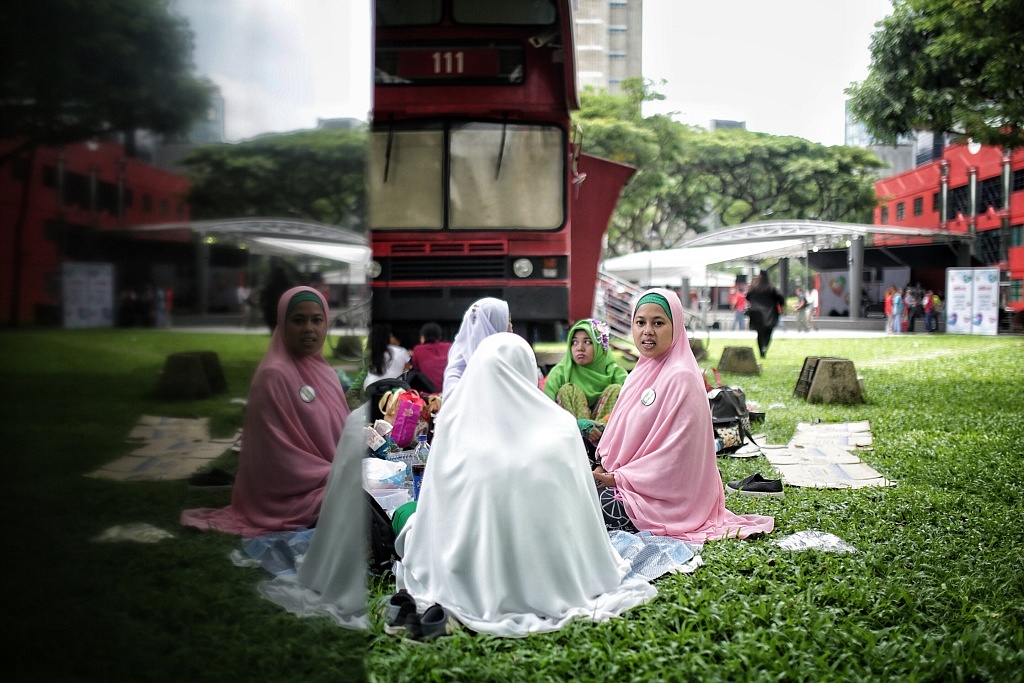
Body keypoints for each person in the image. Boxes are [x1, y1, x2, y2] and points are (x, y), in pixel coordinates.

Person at [394, 333, 656, 636]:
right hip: (556, 571)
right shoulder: (560, 428)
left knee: (407, 516)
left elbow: (434, 510)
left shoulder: (453, 424)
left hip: (464, 572)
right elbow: (583, 514)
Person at [593, 289, 774, 543]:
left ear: (676, 326)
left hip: (666, 503)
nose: (647, 331)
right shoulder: (639, 373)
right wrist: (606, 468)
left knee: (585, 506)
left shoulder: (682, 378)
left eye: (658, 323)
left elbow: (676, 458)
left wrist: (617, 479)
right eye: (640, 322)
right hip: (628, 482)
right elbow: (621, 437)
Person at [181, 286, 350, 536]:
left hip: (332, 477)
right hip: (289, 497)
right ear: (282, 324)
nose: (309, 329)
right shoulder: (274, 376)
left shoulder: (326, 373)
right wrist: (337, 475)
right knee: (361, 499)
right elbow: (277, 460)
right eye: (298, 320)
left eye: (317, 320)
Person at [543, 318, 627, 448]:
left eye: (587, 342)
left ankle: (602, 451)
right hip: (571, 440)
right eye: (574, 342)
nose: (579, 348)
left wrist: (604, 424)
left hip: (608, 440)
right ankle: (583, 450)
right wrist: (578, 425)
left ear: (601, 346)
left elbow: (632, 407)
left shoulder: (617, 374)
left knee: (616, 390)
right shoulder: (559, 373)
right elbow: (545, 409)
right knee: (568, 390)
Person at [442, 297, 510, 397]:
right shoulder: (458, 372)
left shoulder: (458, 352)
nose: (511, 327)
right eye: (507, 321)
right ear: (492, 325)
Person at [744, 271, 786, 358]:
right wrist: (781, 307)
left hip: (756, 314)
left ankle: (761, 350)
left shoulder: (754, 288)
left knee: (759, 333)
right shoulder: (772, 288)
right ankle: (765, 346)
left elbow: (747, 297)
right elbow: (781, 298)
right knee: (768, 333)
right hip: (770, 314)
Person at [362, 322, 411, 389]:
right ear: (388, 336)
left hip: (370, 388)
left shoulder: (368, 354)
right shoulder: (401, 351)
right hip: (394, 390)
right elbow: (408, 369)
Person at [409, 322, 451, 394]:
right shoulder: (449, 346)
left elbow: (415, 368)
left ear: (423, 337)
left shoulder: (418, 350)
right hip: (449, 392)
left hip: (429, 395)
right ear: (440, 336)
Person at [261, 267, 293, 332]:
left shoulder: (270, 286)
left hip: (271, 312)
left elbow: (263, 298)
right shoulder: (289, 285)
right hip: (285, 310)